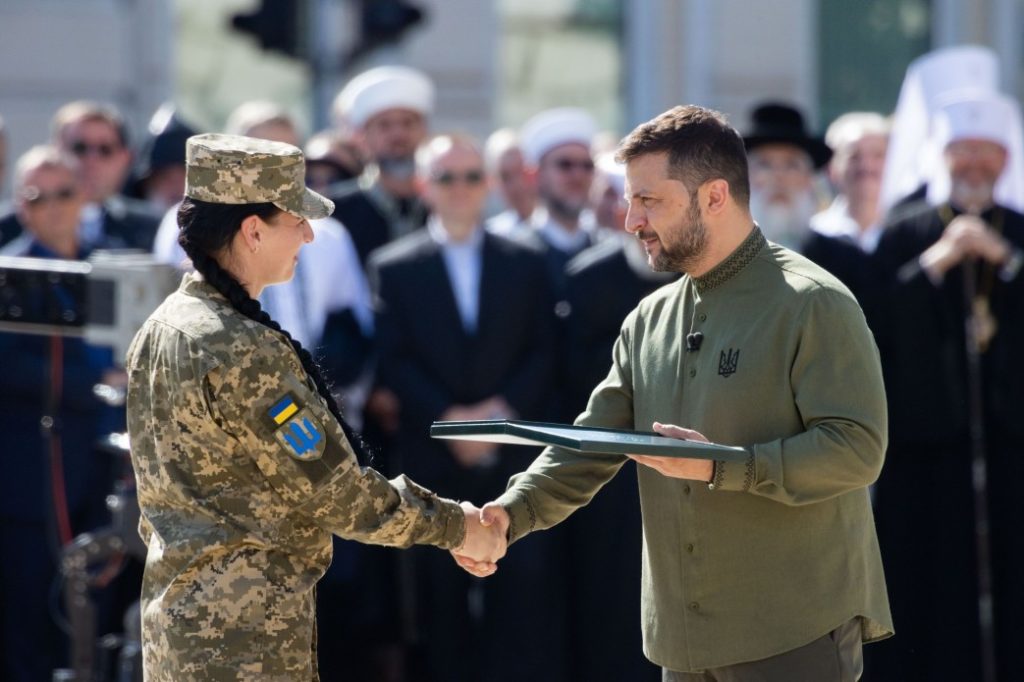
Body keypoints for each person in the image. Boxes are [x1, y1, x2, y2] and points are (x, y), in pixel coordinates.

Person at [456, 105, 892, 681]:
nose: (631, 217)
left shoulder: (814, 302)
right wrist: (509, 516)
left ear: (714, 196)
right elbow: (594, 440)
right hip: (682, 644)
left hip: (792, 629)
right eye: (631, 199)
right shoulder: (648, 318)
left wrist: (721, 467)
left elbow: (857, 449)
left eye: (649, 200)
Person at [125, 133, 505, 680]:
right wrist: (456, 525)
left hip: (182, 632)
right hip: (247, 644)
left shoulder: (165, 326)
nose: (309, 234)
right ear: (252, 231)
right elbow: (337, 492)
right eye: (295, 220)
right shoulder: (239, 347)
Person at [367, 134, 562, 682]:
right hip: (432, 458)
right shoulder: (394, 265)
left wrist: (498, 417)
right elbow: (394, 357)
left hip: (512, 456)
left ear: (490, 185)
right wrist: (451, 423)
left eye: (472, 176)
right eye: (447, 177)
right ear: (425, 186)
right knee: (437, 610)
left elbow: (544, 349)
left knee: (520, 600)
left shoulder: (525, 260)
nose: (460, 189)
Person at [869, 92, 1024, 682]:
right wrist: (938, 262)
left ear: (1006, 159)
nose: (976, 165)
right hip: (927, 448)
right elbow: (876, 323)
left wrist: (1004, 259)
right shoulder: (904, 232)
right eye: (964, 152)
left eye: (988, 152)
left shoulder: (1019, 230)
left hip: (1009, 445)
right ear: (944, 156)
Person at [0, 145, 125, 682]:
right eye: (37, 196)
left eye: (64, 193)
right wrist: (94, 384)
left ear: (84, 197)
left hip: (107, 472)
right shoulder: (10, 271)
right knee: (28, 620)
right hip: (31, 477)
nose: (53, 206)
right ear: (20, 206)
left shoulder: (114, 262)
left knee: (104, 618)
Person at [331, 66, 433, 265]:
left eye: (408, 123)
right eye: (384, 125)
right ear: (363, 137)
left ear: (424, 131)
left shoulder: (444, 203)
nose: (398, 135)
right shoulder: (336, 211)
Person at [512, 107, 606, 298]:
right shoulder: (512, 256)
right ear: (534, 175)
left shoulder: (608, 251)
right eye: (565, 165)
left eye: (587, 166)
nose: (578, 175)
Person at [801, 112, 889, 302]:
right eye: (854, 156)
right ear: (831, 168)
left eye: (878, 155)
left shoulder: (906, 234)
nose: (866, 166)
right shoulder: (814, 235)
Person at [743, 102, 831, 249]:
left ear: (808, 179)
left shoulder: (845, 261)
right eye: (765, 165)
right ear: (745, 178)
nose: (779, 177)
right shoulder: (718, 259)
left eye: (792, 165)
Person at [483, 127, 536, 236]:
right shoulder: (492, 236)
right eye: (505, 177)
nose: (517, 185)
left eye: (522, 172)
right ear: (492, 182)